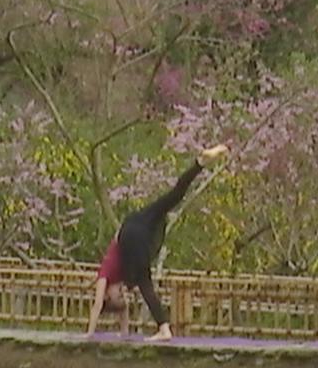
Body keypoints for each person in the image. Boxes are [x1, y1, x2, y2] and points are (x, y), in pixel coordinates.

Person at [86, 144, 229, 342]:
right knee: (173, 197)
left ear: (107, 296)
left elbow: (96, 305)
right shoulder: (124, 275)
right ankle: (199, 164)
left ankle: (164, 329)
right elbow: (124, 312)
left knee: (144, 282)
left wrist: (89, 335)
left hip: (129, 234)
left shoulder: (104, 277)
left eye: (116, 295)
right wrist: (124, 334)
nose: (120, 293)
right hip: (137, 221)